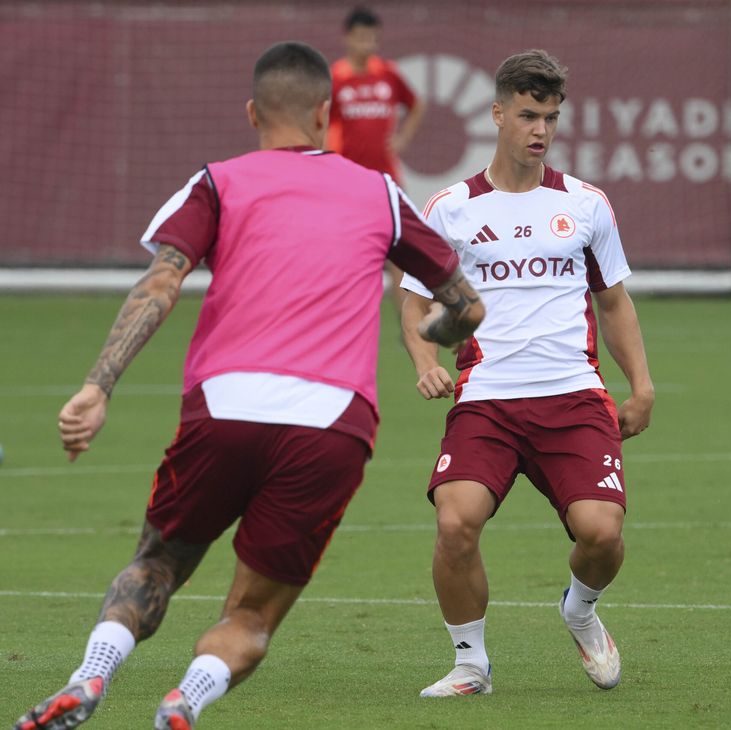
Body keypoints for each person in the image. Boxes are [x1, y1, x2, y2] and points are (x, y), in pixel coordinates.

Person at [13, 41, 482, 730]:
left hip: (225, 406)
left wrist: (97, 386)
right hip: (331, 423)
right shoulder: (380, 192)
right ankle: (185, 700)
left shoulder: (217, 181)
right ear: (326, 114)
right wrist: (439, 339)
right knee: (253, 611)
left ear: (251, 112)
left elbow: (161, 282)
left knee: (158, 561)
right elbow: (465, 307)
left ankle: (89, 677)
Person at [399, 49, 654, 698]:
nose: (540, 129)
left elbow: (615, 300)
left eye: (551, 117)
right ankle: (470, 665)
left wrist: (642, 384)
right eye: (528, 115)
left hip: (574, 398)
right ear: (497, 115)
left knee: (602, 535)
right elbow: (414, 299)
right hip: (487, 400)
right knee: (455, 523)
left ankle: (580, 609)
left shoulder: (587, 204)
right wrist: (426, 360)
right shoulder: (452, 208)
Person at [327, 6, 427, 312]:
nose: (366, 44)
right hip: (348, 179)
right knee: (347, 252)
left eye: (372, 38)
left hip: (387, 178)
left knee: (400, 250)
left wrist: (402, 139)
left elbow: (416, 105)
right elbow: (320, 123)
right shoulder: (336, 77)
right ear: (347, 38)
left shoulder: (388, 73)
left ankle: (407, 318)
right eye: (360, 38)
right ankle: (345, 313)